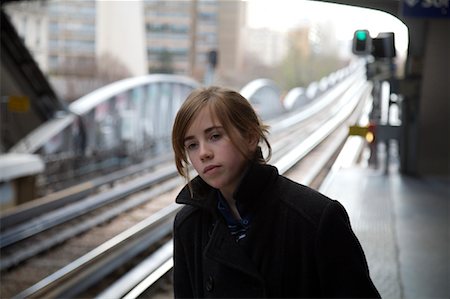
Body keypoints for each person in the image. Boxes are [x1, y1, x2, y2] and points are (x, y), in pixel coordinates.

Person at [171, 86, 380, 298]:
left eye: (215, 136)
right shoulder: (189, 225)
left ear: (251, 137)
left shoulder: (316, 218)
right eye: (192, 145)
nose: (204, 153)